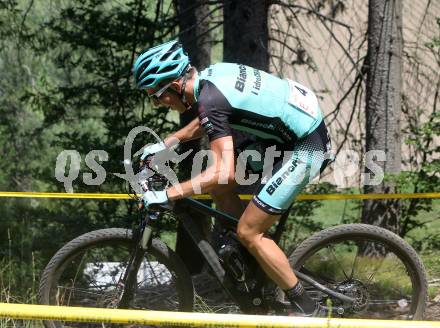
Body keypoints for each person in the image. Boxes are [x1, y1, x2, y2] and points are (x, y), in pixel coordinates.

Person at [133, 40, 332, 316]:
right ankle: (253, 259)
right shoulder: (211, 78)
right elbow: (209, 118)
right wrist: (170, 141)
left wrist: (167, 194)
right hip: (291, 132)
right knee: (221, 189)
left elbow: (222, 165)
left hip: (306, 147)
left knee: (249, 230)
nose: (157, 103)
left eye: (156, 95)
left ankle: (308, 308)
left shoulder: (209, 99)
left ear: (175, 86)